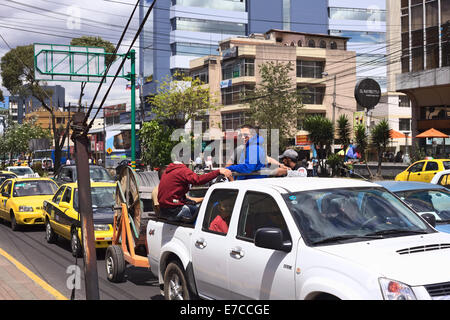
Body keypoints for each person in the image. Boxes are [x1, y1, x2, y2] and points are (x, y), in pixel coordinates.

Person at [158, 160, 233, 222]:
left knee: (196, 209)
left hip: (165, 210)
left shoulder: (168, 171)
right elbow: (198, 180)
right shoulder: (182, 170)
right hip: (175, 210)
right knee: (205, 215)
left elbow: (174, 194)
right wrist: (218, 172)